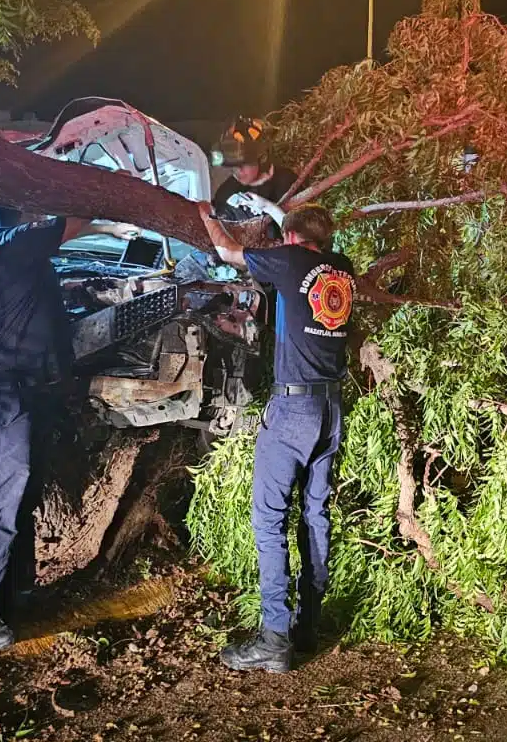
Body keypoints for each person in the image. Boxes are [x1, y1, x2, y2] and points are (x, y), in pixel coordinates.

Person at [0, 206, 139, 651]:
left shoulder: (15, 253)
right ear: (22, 215)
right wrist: (109, 220)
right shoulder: (14, 242)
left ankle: (14, 593)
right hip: (1, 390)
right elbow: (68, 223)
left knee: (23, 492)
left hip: (19, 388)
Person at [196, 199, 357, 673]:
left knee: (268, 519)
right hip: (331, 407)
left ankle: (274, 637)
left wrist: (205, 212)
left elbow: (227, 251)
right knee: (315, 514)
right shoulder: (341, 270)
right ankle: (307, 627)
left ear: (289, 238)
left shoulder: (289, 262)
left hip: (293, 409)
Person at [211, 117, 296, 232]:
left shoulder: (286, 182)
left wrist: (269, 207)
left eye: (243, 165)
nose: (237, 171)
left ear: (261, 158)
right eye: (232, 166)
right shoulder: (225, 193)